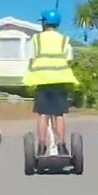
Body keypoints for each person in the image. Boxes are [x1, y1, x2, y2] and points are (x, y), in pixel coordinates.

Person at [22, 9, 79, 155]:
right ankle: (61, 145)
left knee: (43, 114)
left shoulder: (36, 39)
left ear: (45, 22)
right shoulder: (64, 40)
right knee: (59, 114)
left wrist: (31, 75)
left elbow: (31, 59)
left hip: (42, 81)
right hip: (59, 81)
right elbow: (69, 59)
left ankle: (42, 146)